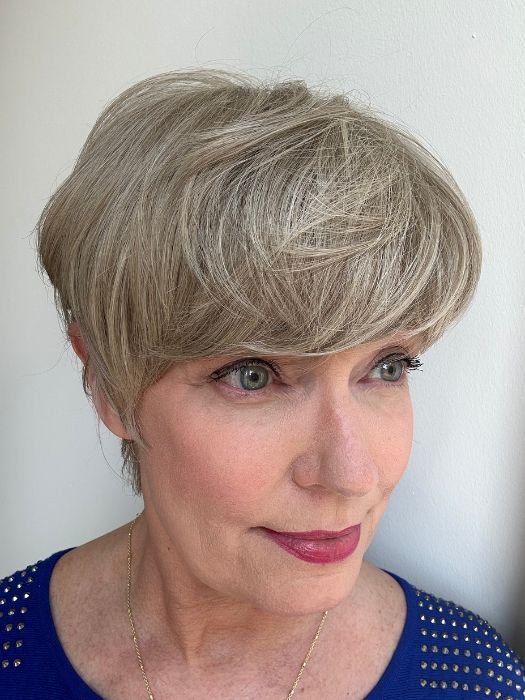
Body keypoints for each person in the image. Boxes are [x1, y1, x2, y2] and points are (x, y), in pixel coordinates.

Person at [1, 68, 523, 700]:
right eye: (253, 376)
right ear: (106, 381)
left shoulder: (472, 679)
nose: (352, 475)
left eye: (388, 367)